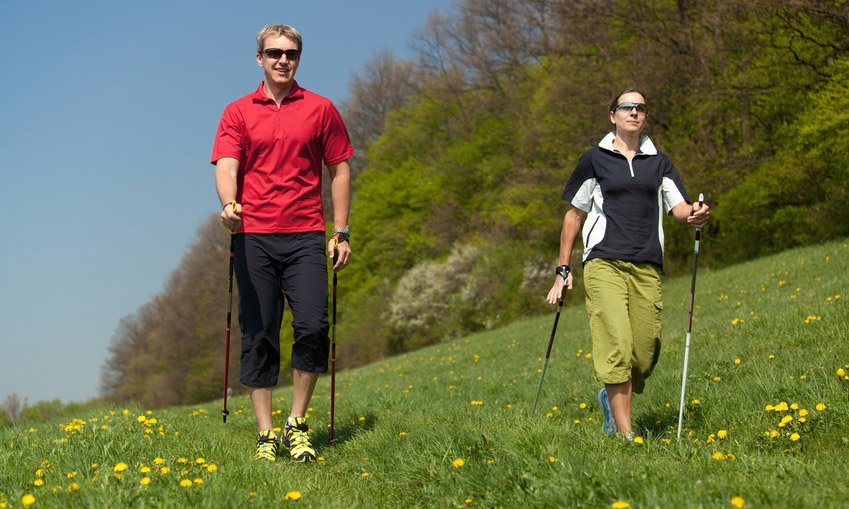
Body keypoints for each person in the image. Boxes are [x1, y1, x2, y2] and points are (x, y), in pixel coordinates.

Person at [211, 23, 354, 462]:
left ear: (298, 58)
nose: (282, 60)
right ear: (259, 57)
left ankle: (297, 424)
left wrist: (341, 231)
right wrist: (230, 205)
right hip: (254, 236)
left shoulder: (321, 108)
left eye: (291, 53)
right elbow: (227, 163)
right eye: (274, 53)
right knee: (260, 334)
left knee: (313, 326)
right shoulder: (237, 111)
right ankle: (266, 433)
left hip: (307, 235)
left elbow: (341, 169)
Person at [546, 88, 709, 440]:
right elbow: (574, 215)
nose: (634, 112)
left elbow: (678, 206)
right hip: (603, 262)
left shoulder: (659, 162)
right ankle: (624, 434)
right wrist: (563, 269)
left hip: (646, 264)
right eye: (627, 107)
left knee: (645, 352)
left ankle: (610, 396)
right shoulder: (594, 159)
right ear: (613, 115)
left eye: (640, 108)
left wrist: (694, 214)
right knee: (615, 343)